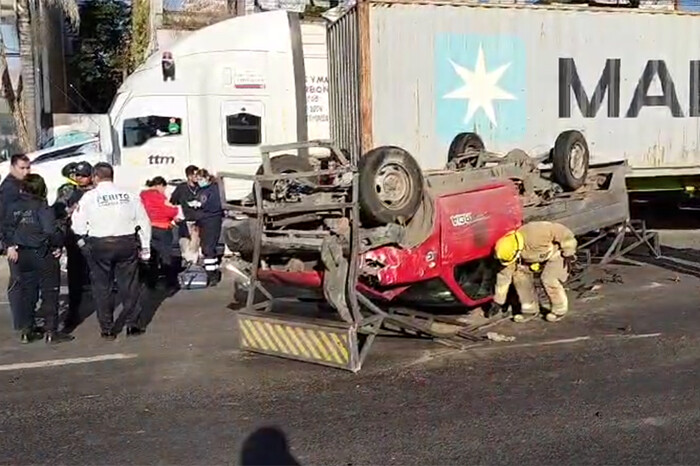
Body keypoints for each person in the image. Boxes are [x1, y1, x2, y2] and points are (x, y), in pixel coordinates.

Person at [71, 162, 152, 340]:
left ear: (95, 177)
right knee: (129, 285)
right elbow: (144, 222)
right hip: (126, 242)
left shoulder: (89, 197)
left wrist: (84, 242)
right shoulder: (129, 195)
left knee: (102, 287)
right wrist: (145, 248)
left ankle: (107, 328)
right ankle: (133, 324)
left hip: (100, 244)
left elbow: (77, 225)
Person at [3, 174, 72, 343]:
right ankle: (51, 331)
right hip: (42, 253)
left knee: (28, 293)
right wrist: (58, 245)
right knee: (50, 293)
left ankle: (27, 330)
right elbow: (51, 231)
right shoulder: (42, 207)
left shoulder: (13, 207)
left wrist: (10, 245)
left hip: (22, 254)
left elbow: (5, 228)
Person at [489, 221, 578, 323]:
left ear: (517, 252)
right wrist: (498, 301)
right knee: (519, 277)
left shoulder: (536, 232)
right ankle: (529, 310)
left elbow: (563, 232)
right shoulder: (508, 250)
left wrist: (569, 251)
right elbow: (503, 278)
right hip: (534, 259)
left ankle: (559, 310)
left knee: (549, 279)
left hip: (556, 254)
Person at [54, 161, 94, 330]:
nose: (80, 178)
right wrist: (68, 211)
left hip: (94, 238)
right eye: (77, 175)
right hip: (74, 239)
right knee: (75, 279)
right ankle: (73, 314)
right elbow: (57, 211)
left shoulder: (97, 191)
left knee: (99, 278)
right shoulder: (68, 191)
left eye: (84, 175)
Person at [0, 154, 33, 333]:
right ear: (13, 167)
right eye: (22, 168)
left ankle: (25, 319)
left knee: (25, 280)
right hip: (15, 242)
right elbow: (4, 218)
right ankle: (21, 322)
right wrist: (9, 244)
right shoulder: (9, 189)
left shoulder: (20, 184)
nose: (26, 171)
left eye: (28, 167)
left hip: (23, 239)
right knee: (18, 281)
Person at [140, 176, 182, 288]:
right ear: (159, 186)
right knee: (166, 256)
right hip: (163, 228)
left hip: (149, 229)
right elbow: (169, 211)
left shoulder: (142, 195)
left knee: (153, 256)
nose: (164, 191)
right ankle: (170, 282)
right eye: (164, 188)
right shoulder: (159, 196)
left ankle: (151, 282)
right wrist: (175, 210)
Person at [192, 168, 224, 285]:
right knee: (207, 248)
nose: (199, 181)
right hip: (204, 222)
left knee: (208, 248)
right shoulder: (201, 190)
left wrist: (200, 205)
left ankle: (212, 275)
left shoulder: (214, 189)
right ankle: (213, 271)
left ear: (206, 178)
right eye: (198, 180)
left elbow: (215, 206)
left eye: (201, 179)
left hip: (212, 221)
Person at [169, 165, 201, 263]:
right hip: (186, 221)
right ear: (189, 176)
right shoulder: (182, 188)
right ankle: (188, 261)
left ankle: (193, 262)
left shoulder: (201, 187)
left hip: (199, 221)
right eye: (195, 175)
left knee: (195, 243)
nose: (197, 177)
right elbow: (172, 202)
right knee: (185, 243)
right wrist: (174, 216)